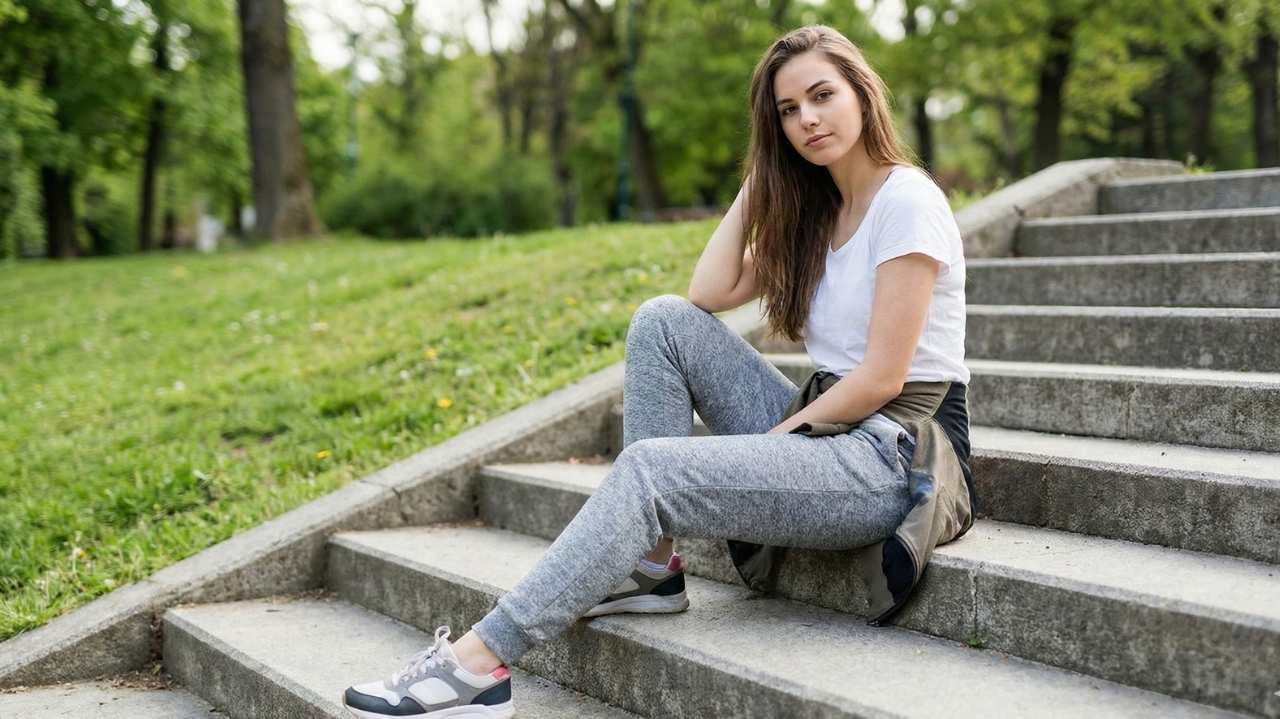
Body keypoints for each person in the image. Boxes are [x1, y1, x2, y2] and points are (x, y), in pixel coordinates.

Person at [342, 23, 971, 719]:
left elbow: (884, 378)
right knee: (662, 319)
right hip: (830, 426)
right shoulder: (821, 213)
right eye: (787, 111)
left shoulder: (907, 202)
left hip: (893, 455)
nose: (807, 120)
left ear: (862, 92)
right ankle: (652, 567)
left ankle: (478, 664)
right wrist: (763, 175)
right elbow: (706, 293)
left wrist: (780, 436)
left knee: (651, 468)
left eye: (822, 96)